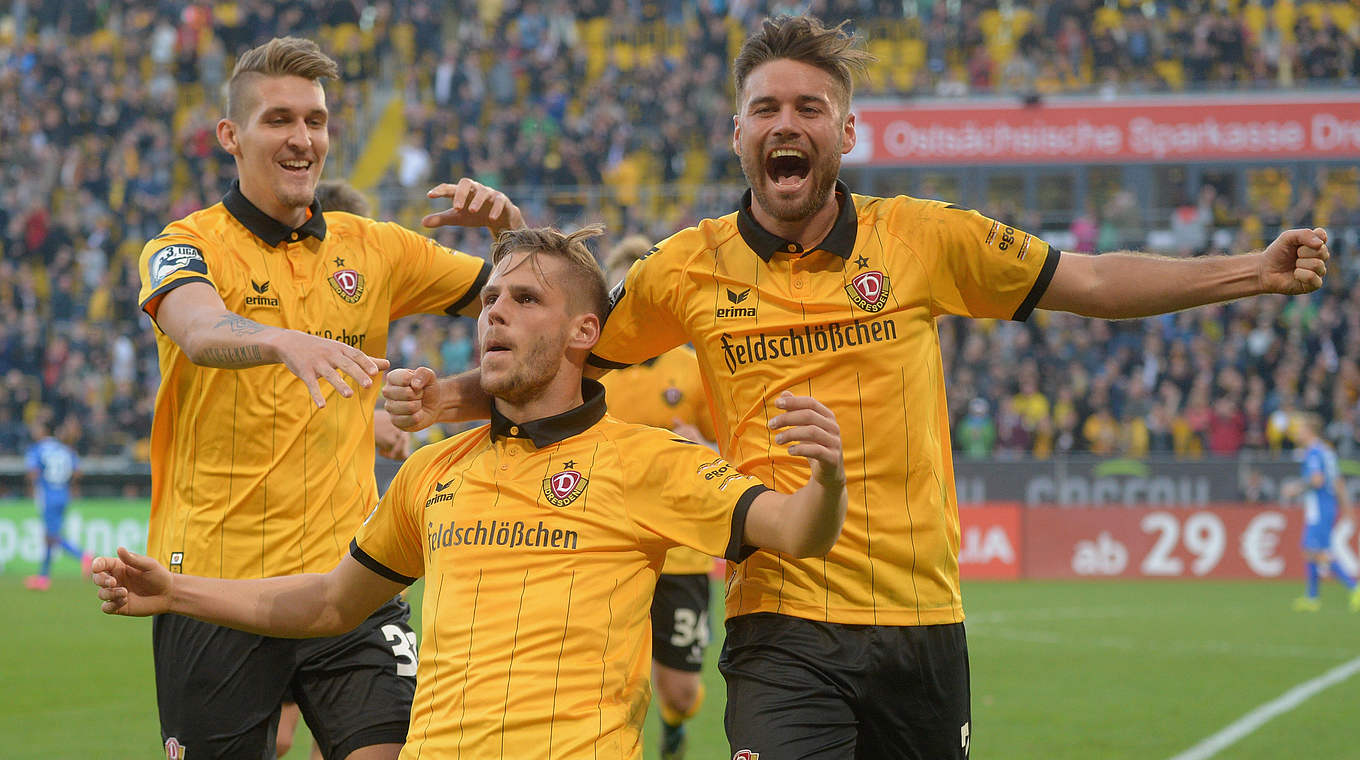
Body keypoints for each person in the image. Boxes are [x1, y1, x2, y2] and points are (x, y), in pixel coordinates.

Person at [382, 16, 1333, 758]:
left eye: (807, 108)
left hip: (921, 619)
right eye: (765, 108)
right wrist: (450, 398)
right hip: (782, 615)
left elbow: (1085, 282)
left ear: (846, 128)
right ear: (737, 132)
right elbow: (567, 345)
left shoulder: (923, 236)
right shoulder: (687, 269)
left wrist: (1250, 269)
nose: (785, 124)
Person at [95, 224, 848, 760]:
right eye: (490, 298)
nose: (494, 311)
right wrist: (177, 591)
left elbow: (795, 531)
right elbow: (329, 603)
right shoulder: (434, 472)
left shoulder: (645, 462)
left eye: (524, 299)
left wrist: (830, 478)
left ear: (586, 331)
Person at [134, 37, 522, 760]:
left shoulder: (374, 248)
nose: (303, 138)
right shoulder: (184, 245)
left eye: (315, 120)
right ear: (231, 136)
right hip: (217, 592)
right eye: (279, 119)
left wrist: (511, 234)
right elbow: (196, 327)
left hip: (349, 582)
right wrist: (283, 341)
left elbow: (529, 307)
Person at [600, 235, 718, 760]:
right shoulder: (589, 371)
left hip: (682, 551)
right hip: (607, 544)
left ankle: (674, 724)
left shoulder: (692, 368)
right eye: (621, 291)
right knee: (609, 685)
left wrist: (702, 446)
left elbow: (732, 450)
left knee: (681, 691)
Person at [1282, 413, 1360, 612]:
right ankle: (1312, 598)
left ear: (1309, 430)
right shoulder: (1327, 452)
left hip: (1320, 506)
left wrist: (1295, 488)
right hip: (1327, 506)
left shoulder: (1314, 453)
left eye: (1300, 428)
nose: (1297, 432)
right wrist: (1347, 508)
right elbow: (1338, 482)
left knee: (1319, 552)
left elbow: (1317, 480)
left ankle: (1354, 587)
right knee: (1310, 551)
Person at [23, 415, 90, 591]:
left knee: (52, 537)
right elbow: (78, 472)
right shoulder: (65, 449)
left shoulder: (37, 449)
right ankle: (43, 578)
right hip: (63, 495)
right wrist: (70, 486)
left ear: (43, 430)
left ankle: (83, 556)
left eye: (36, 427)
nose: (33, 431)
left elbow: (33, 472)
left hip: (48, 496)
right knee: (49, 537)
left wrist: (31, 491)